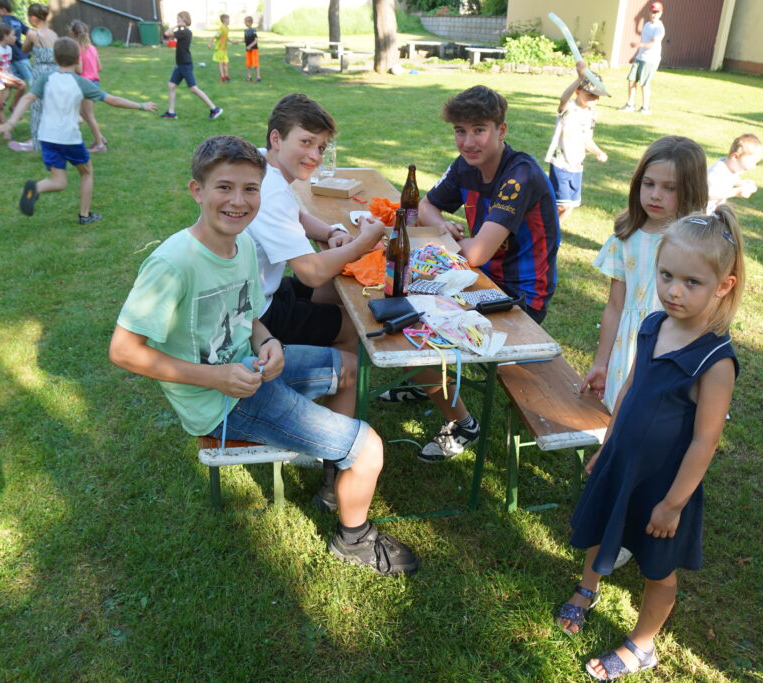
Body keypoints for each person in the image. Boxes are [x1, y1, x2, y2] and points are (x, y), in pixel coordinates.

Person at [108, 135, 420, 576]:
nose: (238, 201)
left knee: (352, 368)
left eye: (250, 189)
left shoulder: (241, 246)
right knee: (369, 448)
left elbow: (249, 315)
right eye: (224, 187)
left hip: (250, 371)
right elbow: (123, 351)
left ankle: (334, 475)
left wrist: (268, 342)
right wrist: (216, 378)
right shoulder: (173, 263)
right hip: (219, 404)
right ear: (197, 190)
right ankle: (354, 540)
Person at [558, 207, 745, 681]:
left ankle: (641, 645)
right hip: (622, 461)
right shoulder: (652, 325)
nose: (674, 291)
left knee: (658, 569)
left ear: (723, 285)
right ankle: (587, 588)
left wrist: (673, 504)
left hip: (664, 483)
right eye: (666, 276)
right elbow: (629, 389)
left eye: (692, 282)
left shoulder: (715, 360)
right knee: (602, 527)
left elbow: (705, 440)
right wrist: (608, 446)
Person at [382, 85, 560, 462]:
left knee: (413, 328)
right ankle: (428, 382)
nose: (467, 142)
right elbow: (427, 206)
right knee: (396, 305)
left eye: (479, 130)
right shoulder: (467, 165)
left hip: (519, 298)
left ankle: (462, 423)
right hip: (476, 281)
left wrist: (455, 242)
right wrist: (443, 227)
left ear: (501, 130)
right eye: (460, 131)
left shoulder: (520, 175)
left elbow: (476, 253)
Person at [246, 93, 386, 508]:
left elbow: (296, 216)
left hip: (260, 289)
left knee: (336, 297)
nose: (315, 155)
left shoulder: (264, 165)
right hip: (257, 311)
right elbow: (309, 271)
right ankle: (332, 460)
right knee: (352, 329)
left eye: (321, 147)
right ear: (276, 138)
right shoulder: (270, 190)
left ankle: (321, 397)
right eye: (306, 142)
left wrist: (331, 232)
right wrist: (361, 243)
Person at [581, 136, 708, 411]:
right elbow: (615, 307)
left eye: (669, 188)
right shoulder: (625, 239)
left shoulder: (699, 245)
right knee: (622, 417)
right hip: (628, 351)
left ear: (691, 189)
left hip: (676, 350)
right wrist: (601, 363)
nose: (655, 195)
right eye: (648, 183)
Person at [0, 37, 157, 224]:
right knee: (86, 172)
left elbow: (27, 98)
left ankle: (35, 189)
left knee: (59, 182)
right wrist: (140, 105)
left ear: (55, 58)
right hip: (69, 138)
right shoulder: (81, 82)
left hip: (47, 137)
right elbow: (112, 100)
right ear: (78, 59)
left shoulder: (46, 78)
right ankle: (85, 215)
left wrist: (11, 123)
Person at [545, 60, 610, 225]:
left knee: (571, 205)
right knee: (562, 205)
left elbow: (587, 139)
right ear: (578, 91)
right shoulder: (569, 108)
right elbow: (563, 98)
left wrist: (598, 152)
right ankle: (547, 227)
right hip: (561, 162)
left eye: (597, 96)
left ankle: (554, 231)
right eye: (590, 94)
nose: (593, 98)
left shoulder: (592, 114)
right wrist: (579, 78)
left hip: (576, 165)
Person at [161, 11, 223, 120]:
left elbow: (166, 34)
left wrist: (175, 26)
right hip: (180, 64)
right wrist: (178, 26)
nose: (177, 20)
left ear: (184, 19)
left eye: (178, 18)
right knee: (171, 85)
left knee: (193, 88)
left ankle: (214, 108)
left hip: (185, 64)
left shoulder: (185, 32)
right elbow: (165, 37)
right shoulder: (183, 31)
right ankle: (171, 113)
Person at [14, 3, 59, 152]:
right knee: (52, 106)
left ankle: (37, 141)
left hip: (41, 72)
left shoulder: (33, 34)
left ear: (33, 17)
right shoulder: (54, 34)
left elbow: (24, 49)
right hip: (56, 71)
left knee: (37, 106)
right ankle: (53, 137)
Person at [618, 1, 665, 114]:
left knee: (644, 84)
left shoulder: (659, 28)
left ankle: (645, 108)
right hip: (640, 57)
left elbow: (653, 44)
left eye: (656, 12)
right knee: (631, 80)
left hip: (650, 59)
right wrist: (635, 56)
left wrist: (638, 45)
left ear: (661, 13)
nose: (654, 14)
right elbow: (644, 41)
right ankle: (630, 105)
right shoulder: (647, 25)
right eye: (652, 12)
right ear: (649, 12)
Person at [70, 20, 106, 152]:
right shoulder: (92, 48)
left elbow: (79, 70)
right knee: (83, 112)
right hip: (94, 83)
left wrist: (70, 67)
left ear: (73, 34)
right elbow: (99, 68)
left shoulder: (77, 49)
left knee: (89, 115)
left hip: (84, 84)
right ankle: (100, 138)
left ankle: (100, 145)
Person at [0, 22, 26, 140]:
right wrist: (10, 78)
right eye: (13, 35)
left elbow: (6, 67)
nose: (15, 38)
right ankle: (6, 131)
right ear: (5, 36)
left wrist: (12, 77)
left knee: (22, 85)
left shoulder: (8, 48)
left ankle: (13, 107)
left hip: (3, 75)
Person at [706, 133, 762, 213]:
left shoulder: (731, 169)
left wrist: (742, 183)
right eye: (752, 162)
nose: (753, 166)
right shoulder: (717, 171)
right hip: (700, 215)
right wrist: (736, 192)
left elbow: (732, 178)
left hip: (713, 212)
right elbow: (708, 194)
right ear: (735, 157)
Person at [0, 0, 32, 87]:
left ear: (3, 9)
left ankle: (36, 94)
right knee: (23, 80)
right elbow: (28, 31)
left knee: (28, 80)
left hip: (11, 56)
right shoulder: (16, 20)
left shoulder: (3, 22)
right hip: (20, 54)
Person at [210, 13, 231, 82]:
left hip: (224, 49)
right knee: (221, 63)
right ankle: (222, 77)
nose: (229, 21)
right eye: (228, 19)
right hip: (219, 48)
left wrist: (232, 42)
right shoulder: (221, 28)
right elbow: (215, 36)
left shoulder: (227, 28)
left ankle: (226, 76)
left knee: (226, 62)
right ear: (224, 20)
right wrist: (210, 43)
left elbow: (226, 37)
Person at [242, 15, 260, 82]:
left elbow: (256, 40)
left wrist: (250, 46)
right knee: (248, 64)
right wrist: (237, 42)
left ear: (250, 22)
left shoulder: (253, 30)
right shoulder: (245, 31)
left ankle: (258, 77)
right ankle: (249, 77)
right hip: (248, 50)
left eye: (246, 22)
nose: (245, 23)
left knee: (255, 64)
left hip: (254, 50)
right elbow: (245, 40)